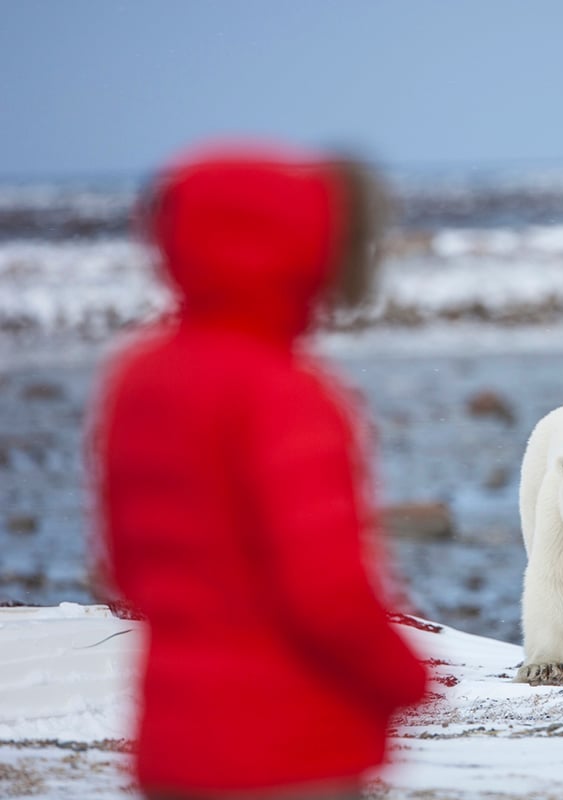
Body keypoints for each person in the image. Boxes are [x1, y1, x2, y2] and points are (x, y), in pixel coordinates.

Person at [92, 143, 429, 799]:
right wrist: (403, 679)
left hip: (175, 743)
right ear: (301, 245)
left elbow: (124, 564)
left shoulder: (138, 377)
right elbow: (326, 591)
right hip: (293, 750)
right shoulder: (287, 394)